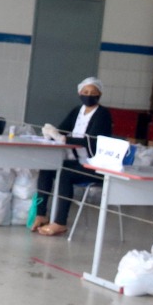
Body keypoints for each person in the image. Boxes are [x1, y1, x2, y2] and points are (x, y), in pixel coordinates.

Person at [31, 76, 114, 236]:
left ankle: (60, 222)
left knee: (66, 175)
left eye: (93, 92)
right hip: (75, 160)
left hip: (94, 164)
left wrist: (64, 138)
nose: (89, 95)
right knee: (47, 168)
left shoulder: (103, 114)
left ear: (99, 94)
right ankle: (41, 215)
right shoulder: (77, 111)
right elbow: (62, 129)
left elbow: (92, 141)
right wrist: (51, 132)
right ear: (79, 93)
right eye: (85, 91)